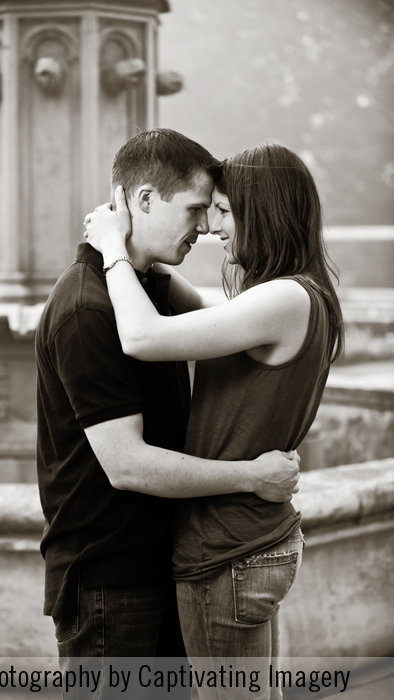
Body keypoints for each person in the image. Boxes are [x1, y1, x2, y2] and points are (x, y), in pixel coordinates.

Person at [35, 130, 300, 698]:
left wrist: (123, 250)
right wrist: (252, 476)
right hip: (111, 577)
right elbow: (127, 465)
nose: (206, 227)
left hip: (163, 563)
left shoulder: (143, 288)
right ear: (146, 200)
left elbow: (217, 314)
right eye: (197, 209)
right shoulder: (86, 309)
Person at [85, 141, 344, 699]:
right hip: (251, 543)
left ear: (264, 213)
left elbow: (142, 336)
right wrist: (143, 253)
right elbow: (197, 312)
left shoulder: (283, 299)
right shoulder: (298, 296)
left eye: (223, 211)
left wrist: (111, 247)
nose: (211, 228)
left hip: (228, 551)